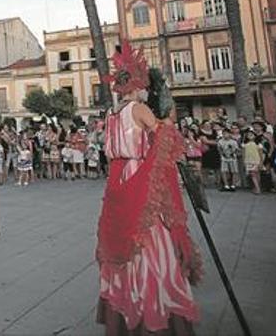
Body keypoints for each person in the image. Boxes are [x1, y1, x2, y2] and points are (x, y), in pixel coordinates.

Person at [96, 43, 200, 335]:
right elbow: (167, 140)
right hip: (141, 177)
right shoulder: (140, 109)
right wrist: (168, 121)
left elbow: (110, 151)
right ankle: (153, 307)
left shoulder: (111, 116)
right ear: (140, 85)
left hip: (118, 181)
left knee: (122, 241)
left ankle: (125, 304)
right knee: (153, 243)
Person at [217, 127, 239, 191]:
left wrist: (232, 153)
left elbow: (236, 150)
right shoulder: (220, 141)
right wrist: (222, 154)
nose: (225, 135)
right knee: (224, 171)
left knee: (234, 171)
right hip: (224, 157)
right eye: (224, 134)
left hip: (232, 157)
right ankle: (226, 185)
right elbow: (219, 149)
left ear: (230, 134)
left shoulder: (233, 142)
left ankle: (233, 185)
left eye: (227, 133)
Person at [242, 130, 264, 195]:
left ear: (255, 135)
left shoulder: (258, 144)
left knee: (257, 174)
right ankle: (257, 188)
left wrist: (261, 162)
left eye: (252, 134)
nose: (250, 136)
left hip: (257, 161)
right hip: (248, 161)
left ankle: (257, 187)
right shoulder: (244, 144)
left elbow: (261, 154)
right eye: (248, 135)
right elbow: (243, 154)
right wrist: (244, 162)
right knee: (253, 174)